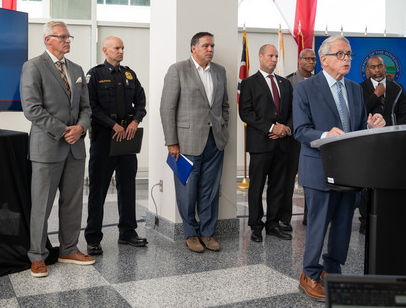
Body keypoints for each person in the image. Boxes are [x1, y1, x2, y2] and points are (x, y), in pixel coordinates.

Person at [294, 35, 385, 301]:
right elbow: (301, 131)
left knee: (344, 225)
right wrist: (325, 135)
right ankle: (309, 274)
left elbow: (356, 129)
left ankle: (332, 270)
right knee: (318, 226)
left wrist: (371, 126)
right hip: (319, 169)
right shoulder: (305, 88)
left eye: (349, 55)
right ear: (324, 60)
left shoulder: (356, 89)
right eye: (341, 55)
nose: (347, 59)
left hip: (349, 171)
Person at [20, 20, 95, 278]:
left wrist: (81, 128)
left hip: (75, 147)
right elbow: (31, 108)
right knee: (42, 204)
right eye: (62, 36)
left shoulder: (76, 69)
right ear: (47, 40)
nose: (67, 40)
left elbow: (86, 108)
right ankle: (37, 256)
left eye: (68, 36)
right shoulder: (33, 67)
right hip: (48, 147)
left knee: (73, 203)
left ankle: (69, 249)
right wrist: (64, 130)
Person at [160, 31, 230, 253]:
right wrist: (171, 141)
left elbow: (224, 106)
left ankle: (207, 233)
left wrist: (222, 127)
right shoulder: (178, 70)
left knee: (210, 191)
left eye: (212, 46)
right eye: (206, 45)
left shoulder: (219, 71)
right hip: (186, 142)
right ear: (193, 48)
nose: (210, 49)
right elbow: (167, 108)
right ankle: (191, 234)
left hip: (214, 142)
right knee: (187, 190)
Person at [84, 36, 147, 255]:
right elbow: (90, 106)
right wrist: (112, 125)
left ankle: (128, 232)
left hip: (127, 136)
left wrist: (135, 121)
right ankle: (93, 238)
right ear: (105, 50)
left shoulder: (129, 74)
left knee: (128, 185)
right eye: (117, 48)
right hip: (104, 138)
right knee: (98, 189)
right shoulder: (95, 74)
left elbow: (141, 102)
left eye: (123, 47)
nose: (121, 51)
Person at [239, 44, 293, 242]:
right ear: (260, 57)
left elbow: (292, 111)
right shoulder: (248, 83)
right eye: (270, 56)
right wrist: (272, 128)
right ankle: (255, 225)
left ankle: (273, 224)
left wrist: (285, 129)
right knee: (257, 186)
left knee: (278, 186)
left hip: (282, 144)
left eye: (276, 56)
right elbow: (246, 113)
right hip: (261, 144)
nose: (274, 59)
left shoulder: (285, 83)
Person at [358, 55, 406, 233]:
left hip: (391, 142)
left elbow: (404, 114)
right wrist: (376, 95)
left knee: (389, 180)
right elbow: (360, 111)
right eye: (373, 67)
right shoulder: (360, 88)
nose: (377, 70)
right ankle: (366, 221)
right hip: (369, 142)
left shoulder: (397, 87)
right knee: (368, 182)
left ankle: (388, 217)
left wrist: (399, 135)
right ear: (367, 71)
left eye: (380, 66)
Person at [284, 48, 316, 228]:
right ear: (300, 60)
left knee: (312, 180)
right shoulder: (289, 81)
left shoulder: (320, 81)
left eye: (313, 59)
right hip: (294, 137)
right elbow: (287, 110)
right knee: (288, 180)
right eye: (308, 59)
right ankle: (285, 219)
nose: (311, 62)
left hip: (315, 136)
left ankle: (310, 217)